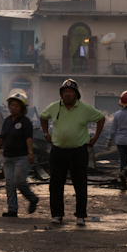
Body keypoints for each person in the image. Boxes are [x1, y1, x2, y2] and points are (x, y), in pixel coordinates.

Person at [40, 79, 105, 226]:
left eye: (70, 92)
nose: (68, 94)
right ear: (61, 94)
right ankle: (57, 214)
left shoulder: (85, 109)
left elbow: (101, 118)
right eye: (65, 92)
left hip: (78, 152)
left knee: (80, 184)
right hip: (58, 151)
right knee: (56, 184)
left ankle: (80, 215)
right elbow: (43, 117)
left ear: (76, 94)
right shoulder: (54, 107)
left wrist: (95, 137)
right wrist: (45, 134)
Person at [0, 89, 38, 217]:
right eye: (12, 105)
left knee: (19, 181)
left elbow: (28, 138)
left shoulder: (25, 122)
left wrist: (30, 153)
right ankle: (12, 209)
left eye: (16, 106)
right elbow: (1, 137)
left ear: (22, 107)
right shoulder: (7, 121)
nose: (13, 107)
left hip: (21, 157)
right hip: (7, 157)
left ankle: (32, 198)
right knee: (9, 184)